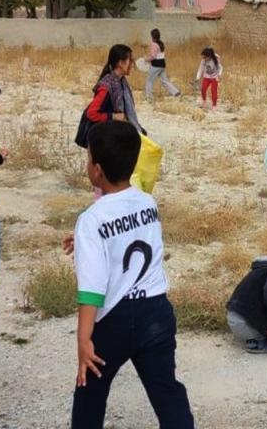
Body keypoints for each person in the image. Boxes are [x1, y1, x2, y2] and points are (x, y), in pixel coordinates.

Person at [68, 120, 194, 429]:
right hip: (156, 312)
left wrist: (84, 339)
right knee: (167, 392)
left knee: (90, 397)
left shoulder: (91, 219)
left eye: (88, 159)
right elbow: (131, 233)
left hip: (115, 321)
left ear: (96, 169)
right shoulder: (147, 201)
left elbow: (92, 288)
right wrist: (85, 241)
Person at [88, 44, 145, 136]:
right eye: (130, 60)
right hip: (109, 138)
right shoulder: (106, 87)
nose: (132, 64)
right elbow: (91, 113)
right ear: (120, 63)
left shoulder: (121, 81)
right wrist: (113, 116)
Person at [145, 29, 181, 102]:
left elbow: (153, 56)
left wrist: (146, 59)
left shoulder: (153, 44)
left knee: (149, 81)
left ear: (152, 36)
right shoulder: (161, 43)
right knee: (165, 80)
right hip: (162, 65)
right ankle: (175, 92)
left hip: (155, 65)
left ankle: (149, 97)